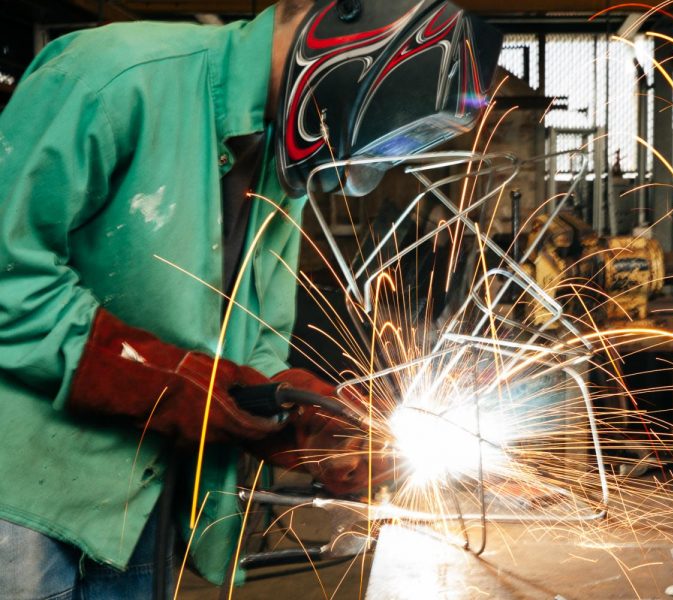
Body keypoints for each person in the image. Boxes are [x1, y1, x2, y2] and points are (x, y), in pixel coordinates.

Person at [0, 0, 500, 597]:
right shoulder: (111, 77)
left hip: (138, 503)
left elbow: (252, 341)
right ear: (347, 28)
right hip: (24, 499)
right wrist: (166, 381)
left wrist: (305, 429)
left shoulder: (281, 159)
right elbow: (11, 279)